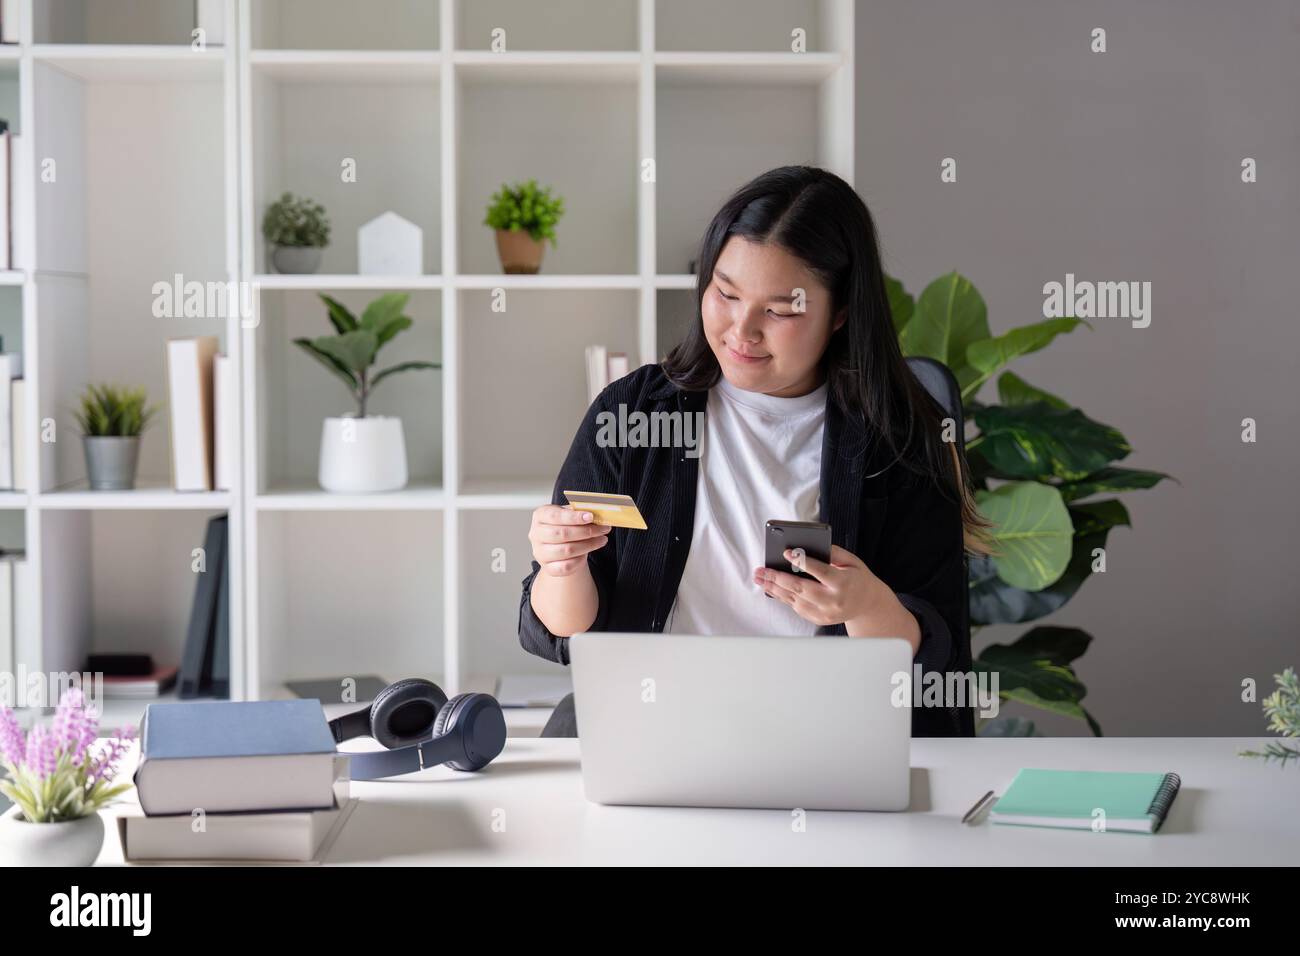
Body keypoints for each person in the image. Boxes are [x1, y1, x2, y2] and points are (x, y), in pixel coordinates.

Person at [518, 165, 990, 737]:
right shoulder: (634, 415)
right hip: (654, 730)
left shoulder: (905, 440)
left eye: (781, 309)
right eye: (725, 293)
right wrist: (560, 567)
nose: (741, 331)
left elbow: (935, 671)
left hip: (824, 740)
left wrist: (867, 606)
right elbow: (565, 632)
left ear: (840, 312)